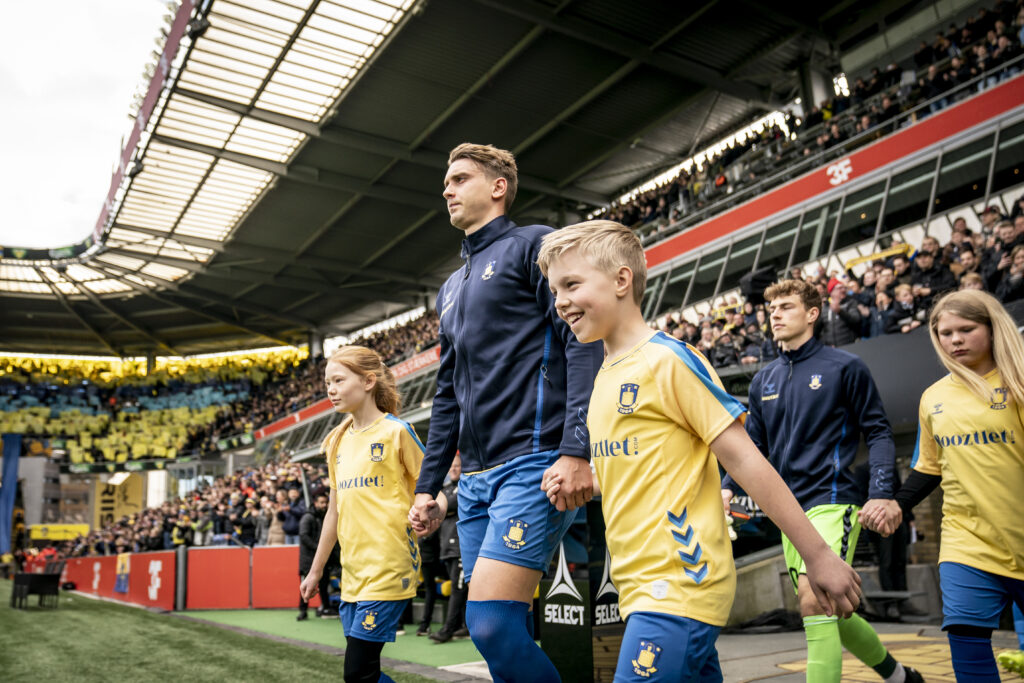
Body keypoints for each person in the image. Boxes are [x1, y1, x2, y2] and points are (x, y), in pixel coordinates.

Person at [537, 220, 863, 682]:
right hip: (639, 589)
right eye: (554, 291)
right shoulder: (603, 374)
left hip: (680, 583)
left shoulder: (668, 360)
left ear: (621, 280)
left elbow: (747, 460)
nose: (561, 301)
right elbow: (640, 467)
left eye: (571, 284)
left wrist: (818, 555)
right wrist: (590, 478)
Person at [408, 143, 603, 683]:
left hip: (535, 463)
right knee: (494, 628)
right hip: (473, 481)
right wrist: (429, 487)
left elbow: (582, 342)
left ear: (498, 187)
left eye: (459, 178)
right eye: (446, 181)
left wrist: (575, 448)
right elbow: (447, 393)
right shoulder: (450, 288)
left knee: (491, 623)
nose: (446, 189)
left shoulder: (532, 245)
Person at [719, 278, 921, 683]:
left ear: (812, 314)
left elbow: (879, 432)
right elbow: (751, 447)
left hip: (833, 501)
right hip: (787, 511)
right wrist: (728, 486)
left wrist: (881, 492)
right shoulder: (763, 380)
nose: (774, 314)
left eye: (785, 307)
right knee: (834, 611)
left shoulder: (845, 367)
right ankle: (901, 677)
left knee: (816, 599)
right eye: (771, 308)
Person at [861, 290, 1024, 682]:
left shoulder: (1018, 382)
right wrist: (897, 504)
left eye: (966, 329)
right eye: (945, 332)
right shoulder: (933, 397)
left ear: (992, 328)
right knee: (967, 646)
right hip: (966, 541)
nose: (955, 340)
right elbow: (929, 467)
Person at [300, 346, 431, 683]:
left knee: (357, 672)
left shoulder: (396, 432)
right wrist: (315, 572)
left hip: (390, 566)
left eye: (339, 380)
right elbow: (334, 512)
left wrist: (429, 510)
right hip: (352, 573)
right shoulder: (335, 442)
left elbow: (431, 488)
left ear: (369, 381)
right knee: (366, 676)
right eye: (327, 382)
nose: (331, 389)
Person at [430, 454, 470, 643]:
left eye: (457, 466)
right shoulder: (445, 490)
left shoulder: (467, 485)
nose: (454, 469)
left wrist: (443, 509)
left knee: (458, 588)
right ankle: (465, 626)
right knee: (459, 587)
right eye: (451, 466)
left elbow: (448, 506)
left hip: (462, 547)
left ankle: (449, 629)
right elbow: (437, 509)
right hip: (446, 546)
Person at [298, 493, 331, 621]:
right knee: (306, 586)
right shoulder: (308, 517)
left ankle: (325, 608)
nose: (324, 505)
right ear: (315, 503)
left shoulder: (326, 516)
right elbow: (304, 535)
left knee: (324, 586)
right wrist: (319, 548)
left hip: (322, 558)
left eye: (325, 502)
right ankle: (303, 610)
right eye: (321, 502)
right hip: (309, 559)